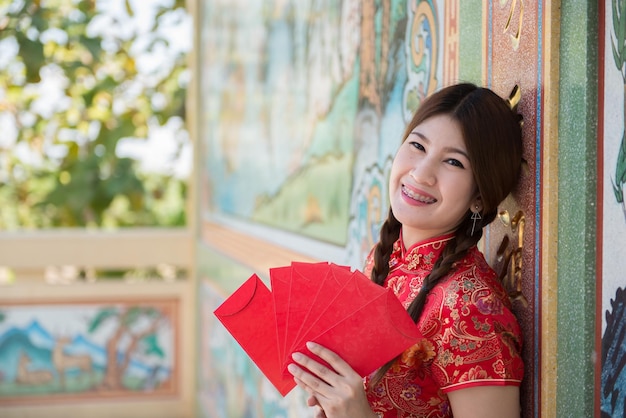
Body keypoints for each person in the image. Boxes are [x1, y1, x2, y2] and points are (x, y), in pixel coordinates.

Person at [287, 82, 525, 418]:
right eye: (417, 145)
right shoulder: (383, 259)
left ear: (479, 197)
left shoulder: (470, 308)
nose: (421, 173)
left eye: (454, 163)